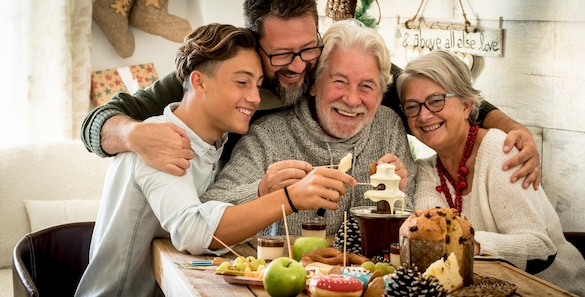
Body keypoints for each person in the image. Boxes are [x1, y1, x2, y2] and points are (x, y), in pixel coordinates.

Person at [80, 0, 542, 190]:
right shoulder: (220, 71)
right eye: (282, 55)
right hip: (211, 200)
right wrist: (135, 136)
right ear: (254, 41)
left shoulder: (332, 63)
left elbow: (429, 93)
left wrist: (511, 127)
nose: (300, 65)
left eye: (308, 48)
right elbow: (99, 120)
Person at [74, 23, 356, 297]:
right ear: (199, 81)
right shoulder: (162, 142)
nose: (255, 97)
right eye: (242, 82)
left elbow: (209, 210)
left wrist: (262, 190)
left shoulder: (214, 144)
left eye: (257, 85)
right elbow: (193, 230)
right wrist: (290, 198)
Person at [396, 50, 585, 297]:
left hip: (562, 291)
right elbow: (430, 242)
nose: (424, 115)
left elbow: (540, 247)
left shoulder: (501, 151)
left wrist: (467, 244)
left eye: (436, 100)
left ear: (467, 106)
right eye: (412, 106)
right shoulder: (428, 171)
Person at [200, 19, 412, 238]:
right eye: (339, 81)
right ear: (313, 84)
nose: (351, 99)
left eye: (367, 86)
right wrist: (261, 190)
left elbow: (414, 224)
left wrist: (399, 197)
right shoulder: (267, 136)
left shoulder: (388, 127)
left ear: (381, 95)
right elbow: (206, 215)